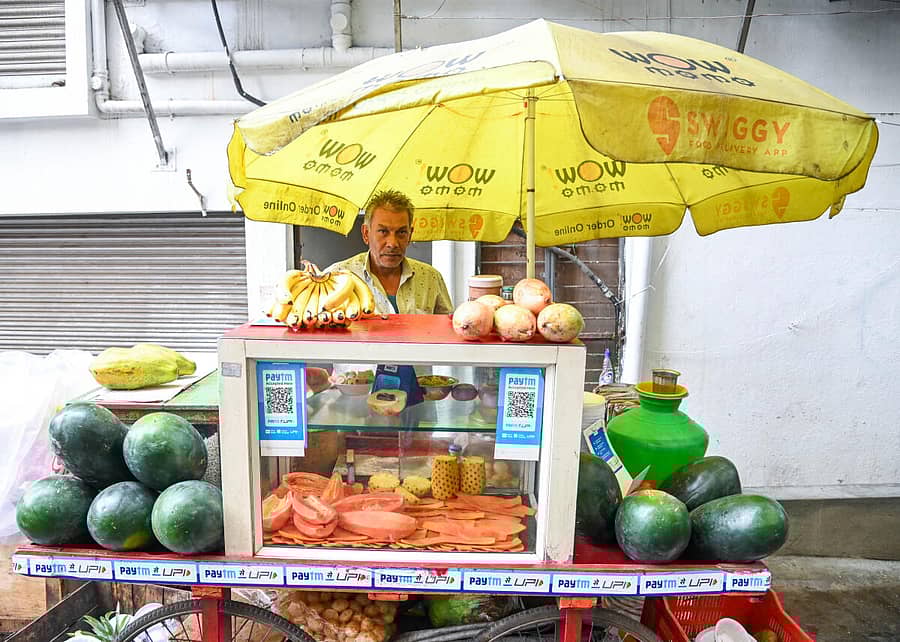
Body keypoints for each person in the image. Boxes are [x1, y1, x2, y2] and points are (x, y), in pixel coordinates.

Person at [327, 189, 453, 315]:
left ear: (410, 235)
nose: (393, 243)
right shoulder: (336, 277)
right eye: (383, 232)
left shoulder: (431, 278)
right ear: (366, 233)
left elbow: (448, 325)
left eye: (401, 232)